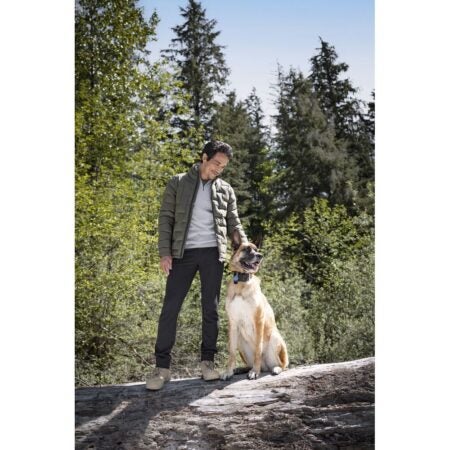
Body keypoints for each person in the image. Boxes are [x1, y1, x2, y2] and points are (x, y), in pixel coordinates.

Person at [146, 141, 247, 390]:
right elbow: (166, 218)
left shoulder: (225, 190)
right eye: (216, 164)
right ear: (204, 158)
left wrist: (246, 249)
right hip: (183, 254)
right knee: (170, 308)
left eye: (223, 166)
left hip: (213, 254)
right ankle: (162, 368)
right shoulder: (178, 182)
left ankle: (207, 363)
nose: (219, 169)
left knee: (210, 310)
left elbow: (234, 223)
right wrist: (164, 253)